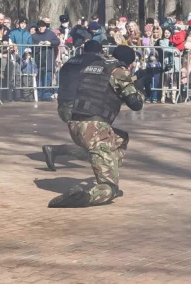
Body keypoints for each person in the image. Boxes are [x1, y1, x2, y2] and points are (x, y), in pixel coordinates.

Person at [48, 45, 144, 208]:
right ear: (129, 62)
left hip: (75, 124)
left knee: (121, 138)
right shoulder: (120, 71)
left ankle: (109, 171)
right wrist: (139, 87)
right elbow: (136, 104)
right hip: (95, 129)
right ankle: (85, 196)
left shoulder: (93, 67)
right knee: (109, 189)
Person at [41, 40, 104, 170]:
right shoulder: (96, 62)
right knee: (94, 148)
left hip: (64, 104)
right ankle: (54, 150)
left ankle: (55, 151)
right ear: (98, 51)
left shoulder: (72, 60)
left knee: (90, 143)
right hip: (78, 106)